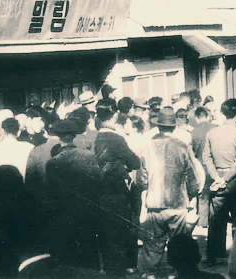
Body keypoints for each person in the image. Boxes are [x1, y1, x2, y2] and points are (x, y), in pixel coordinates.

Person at [137, 107, 200, 274]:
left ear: (158, 126)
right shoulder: (182, 147)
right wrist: (193, 195)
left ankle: (151, 275)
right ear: (174, 127)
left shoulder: (147, 147)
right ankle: (177, 274)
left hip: (154, 204)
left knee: (153, 246)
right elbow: (193, 178)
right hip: (178, 204)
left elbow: (141, 180)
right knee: (178, 245)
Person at [44, 118, 105, 269]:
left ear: (59, 138)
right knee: (89, 249)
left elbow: (51, 192)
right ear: (74, 136)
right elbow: (99, 182)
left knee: (69, 254)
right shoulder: (89, 156)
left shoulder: (53, 162)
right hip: (88, 209)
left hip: (64, 213)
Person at [93, 99, 142, 274]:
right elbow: (135, 162)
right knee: (119, 234)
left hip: (96, 193)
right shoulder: (117, 138)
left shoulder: (92, 137)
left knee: (104, 234)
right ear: (114, 116)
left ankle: (107, 269)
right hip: (116, 193)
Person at [201, 99, 236, 264]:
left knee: (216, 219)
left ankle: (214, 255)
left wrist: (216, 177)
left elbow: (206, 157)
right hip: (234, 180)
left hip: (217, 178)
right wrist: (225, 179)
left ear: (222, 113)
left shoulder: (212, 133)